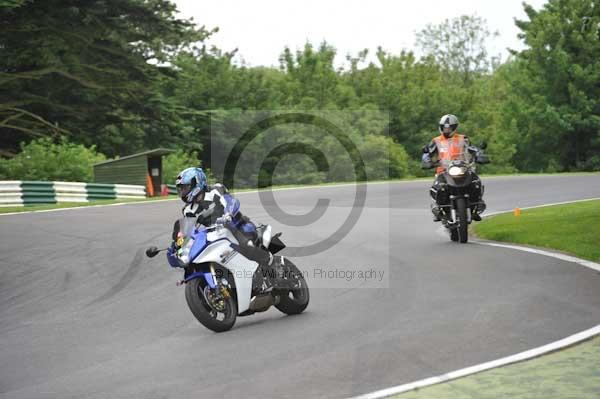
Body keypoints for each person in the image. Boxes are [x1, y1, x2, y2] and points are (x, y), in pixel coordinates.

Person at [422, 114, 486, 222]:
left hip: (463, 167)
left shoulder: (463, 138)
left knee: (475, 182)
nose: (446, 130)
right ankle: (438, 207)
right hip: (443, 170)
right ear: (441, 127)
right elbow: (427, 153)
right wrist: (427, 161)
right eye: (444, 127)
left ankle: (477, 205)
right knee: (439, 187)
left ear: (454, 127)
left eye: (449, 127)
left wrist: (480, 155)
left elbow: (473, 149)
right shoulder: (436, 141)